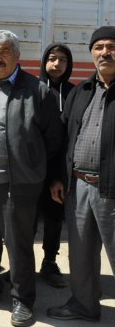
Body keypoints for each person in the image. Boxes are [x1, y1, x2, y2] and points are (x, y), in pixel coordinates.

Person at [0, 30, 62, 327]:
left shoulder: (38, 91)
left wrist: (40, 171)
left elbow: (54, 141)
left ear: (17, 56)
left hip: (17, 184)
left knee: (18, 245)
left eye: (4, 52)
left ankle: (22, 300)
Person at [47, 26, 115, 323]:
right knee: (81, 254)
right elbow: (63, 139)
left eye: (111, 46)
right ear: (91, 53)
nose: (105, 52)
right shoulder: (81, 92)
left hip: (112, 189)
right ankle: (84, 305)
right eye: (99, 47)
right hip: (78, 186)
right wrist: (57, 177)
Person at [35, 42, 75, 288]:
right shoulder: (33, 89)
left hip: (58, 169)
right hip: (31, 168)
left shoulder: (74, 93)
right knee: (25, 221)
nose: (57, 64)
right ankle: (21, 265)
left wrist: (58, 176)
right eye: (52, 58)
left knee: (53, 218)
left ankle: (49, 262)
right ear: (44, 61)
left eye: (62, 60)